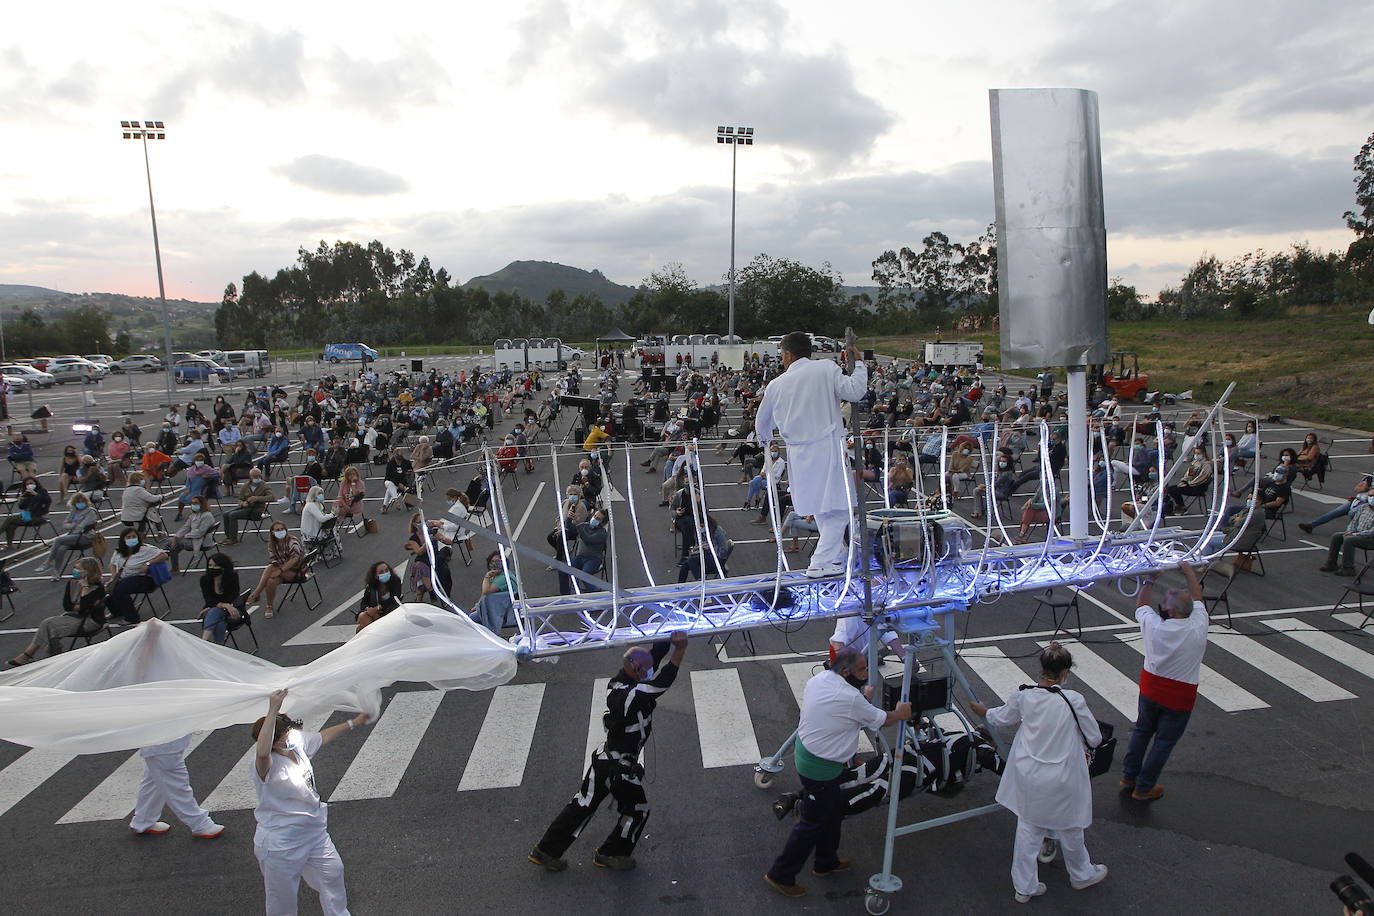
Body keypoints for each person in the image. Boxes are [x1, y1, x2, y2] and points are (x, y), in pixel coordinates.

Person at [530, 632, 690, 873]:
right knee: (637, 811)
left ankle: (546, 850)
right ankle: (611, 853)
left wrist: (666, 633)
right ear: (636, 670)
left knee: (581, 807)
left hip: (604, 762)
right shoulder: (632, 695)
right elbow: (662, 681)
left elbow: (654, 658)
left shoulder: (619, 682)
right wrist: (680, 650)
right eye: (645, 669)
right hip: (618, 769)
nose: (650, 670)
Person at [764, 647, 912, 897]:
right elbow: (883, 719)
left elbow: (843, 708)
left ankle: (826, 861)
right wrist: (901, 713)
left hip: (812, 755)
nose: (867, 673)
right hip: (820, 769)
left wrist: (861, 696)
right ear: (845, 671)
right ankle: (781, 875)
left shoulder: (819, 680)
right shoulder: (850, 698)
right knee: (811, 823)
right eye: (863, 669)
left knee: (832, 811)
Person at [970, 644, 1109, 904]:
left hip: (1029, 773)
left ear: (1042, 669)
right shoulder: (1073, 700)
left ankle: (1025, 886)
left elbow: (1001, 718)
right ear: (1065, 672)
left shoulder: (1024, 695)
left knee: (1028, 828)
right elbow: (1095, 737)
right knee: (1071, 826)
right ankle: (1081, 874)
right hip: (1063, 776)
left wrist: (983, 711)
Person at [755, 332, 868, 577]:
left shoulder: (776, 384)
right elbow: (855, 390)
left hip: (798, 453)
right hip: (826, 447)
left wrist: (766, 443)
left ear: (788, 354)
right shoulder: (825, 369)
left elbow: (762, 422)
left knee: (823, 508)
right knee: (839, 509)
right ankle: (820, 561)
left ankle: (837, 556)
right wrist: (859, 365)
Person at [251, 689, 368, 916]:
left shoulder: (295, 743)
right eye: (283, 733)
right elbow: (262, 753)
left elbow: (323, 737)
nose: (290, 734)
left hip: (313, 833)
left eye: (288, 729)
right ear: (273, 742)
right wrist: (272, 709)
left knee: (332, 873)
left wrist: (354, 722)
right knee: (282, 902)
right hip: (280, 844)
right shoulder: (265, 766)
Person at [1120, 563, 1206, 801]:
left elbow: (1142, 606)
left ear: (1172, 611)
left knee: (1142, 731)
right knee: (1164, 742)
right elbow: (1198, 599)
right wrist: (1189, 572)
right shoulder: (1197, 627)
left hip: (1150, 688)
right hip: (1179, 695)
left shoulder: (1154, 626)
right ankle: (1144, 786)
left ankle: (1129, 775)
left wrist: (1150, 580)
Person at [8, 557, 106, 665]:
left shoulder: (98, 588)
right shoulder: (72, 583)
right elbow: (67, 606)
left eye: (78, 569)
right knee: (48, 624)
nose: (75, 571)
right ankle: (42, 656)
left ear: (87, 571)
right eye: (75, 568)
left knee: (50, 626)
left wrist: (85, 589)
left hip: (91, 621)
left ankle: (32, 655)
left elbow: (84, 609)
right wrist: (81, 606)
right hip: (75, 617)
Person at [129, 735, 225, 839]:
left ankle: (143, 820)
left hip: (166, 734)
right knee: (169, 771)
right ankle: (199, 823)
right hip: (160, 736)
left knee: (155, 775)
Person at [106, 528, 169, 625]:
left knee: (120, 589)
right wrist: (113, 578)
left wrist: (148, 563)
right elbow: (112, 564)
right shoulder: (119, 550)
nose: (131, 539)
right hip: (123, 577)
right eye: (128, 537)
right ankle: (116, 611)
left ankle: (132, 618)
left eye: (133, 537)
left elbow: (164, 556)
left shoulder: (145, 549)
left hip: (144, 579)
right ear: (123, 539)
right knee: (106, 588)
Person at [248, 520, 303, 618]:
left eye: (282, 529)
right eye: (277, 530)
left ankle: (255, 594)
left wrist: (280, 571)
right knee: (270, 581)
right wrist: (278, 570)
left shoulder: (292, 541)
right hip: (282, 571)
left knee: (270, 568)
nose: (280, 531)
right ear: (272, 532)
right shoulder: (272, 545)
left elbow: (294, 559)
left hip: (297, 571)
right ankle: (269, 606)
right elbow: (274, 562)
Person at [35, 493, 98, 577]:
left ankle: (48, 562)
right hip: (73, 536)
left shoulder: (91, 512)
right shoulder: (74, 511)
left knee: (58, 540)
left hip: (85, 537)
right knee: (61, 548)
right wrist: (73, 525)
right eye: (77, 502)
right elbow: (65, 525)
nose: (80, 503)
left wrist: (73, 525)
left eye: (82, 501)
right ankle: (56, 572)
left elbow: (82, 526)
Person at [1319, 494, 1374, 576]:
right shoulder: (1364, 507)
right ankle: (1331, 563)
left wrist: (1354, 535)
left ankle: (1348, 568)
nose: (1371, 498)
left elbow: (1371, 532)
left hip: (1370, 538)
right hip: (1358, 534)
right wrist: (1349, 532)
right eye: (1371, 495)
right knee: (1336, 536)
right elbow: (1354, 522)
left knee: (1349, 540)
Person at [220, 469, 274, 546]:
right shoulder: (246, 486)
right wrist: (242, 503)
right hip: (246, 507)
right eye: (255, 476)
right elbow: (240, 499)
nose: (258, 478)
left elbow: (272, 497)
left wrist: (257, 498)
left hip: (257, 510)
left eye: (259, 476)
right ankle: (228, 536)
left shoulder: (264, 485)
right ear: (250, 477)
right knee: (226, 514)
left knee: (232, 515)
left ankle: (233, 539)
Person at [198, 553, 242, 644]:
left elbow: (232, 596)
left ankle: (203, 642)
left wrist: (213, 607)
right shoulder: (204, 580)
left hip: (233, 611)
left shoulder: (232, 577)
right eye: (210, 565)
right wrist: (223, 605)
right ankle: (219, 646)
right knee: (219, 621)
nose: (212, 568)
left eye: (215, 565)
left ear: (223, 567)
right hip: (217, 611)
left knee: (215, 612)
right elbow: (208, 599)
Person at [167, 495, 218, 573]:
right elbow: (185, 527)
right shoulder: (193, 515)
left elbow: (200, 532)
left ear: (202, 504)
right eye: (192, 503)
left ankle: (167, 559)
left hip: (202, 542)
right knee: (171, 542)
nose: (193, 505)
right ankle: (171, 563)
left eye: (196, 503)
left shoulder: (207, 516)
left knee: (172, 544)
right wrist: (176, 537)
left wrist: (183, 537)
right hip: (193, 539)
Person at [474, 550, 517, 633]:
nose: (494, 564)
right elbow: (485, 594)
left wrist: (487, 576)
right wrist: (478, 605)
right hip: (504, 608)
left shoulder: (503, 578)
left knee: (471, 619)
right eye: (492, 562)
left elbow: (486, 591)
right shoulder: (503, 574)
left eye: (497, 562)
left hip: (504, 613)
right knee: (475, 614)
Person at [356, 560, 402, 632]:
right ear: (375, 576)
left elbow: (394, 599)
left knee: (362, 627)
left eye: (386, 570)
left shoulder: (395, 581)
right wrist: (368, 610)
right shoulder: (371, 587)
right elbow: (364, 602)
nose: (385, 573)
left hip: (391, 612)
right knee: (363, 616)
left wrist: (377, 608)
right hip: (374, 614)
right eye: (381, 572)